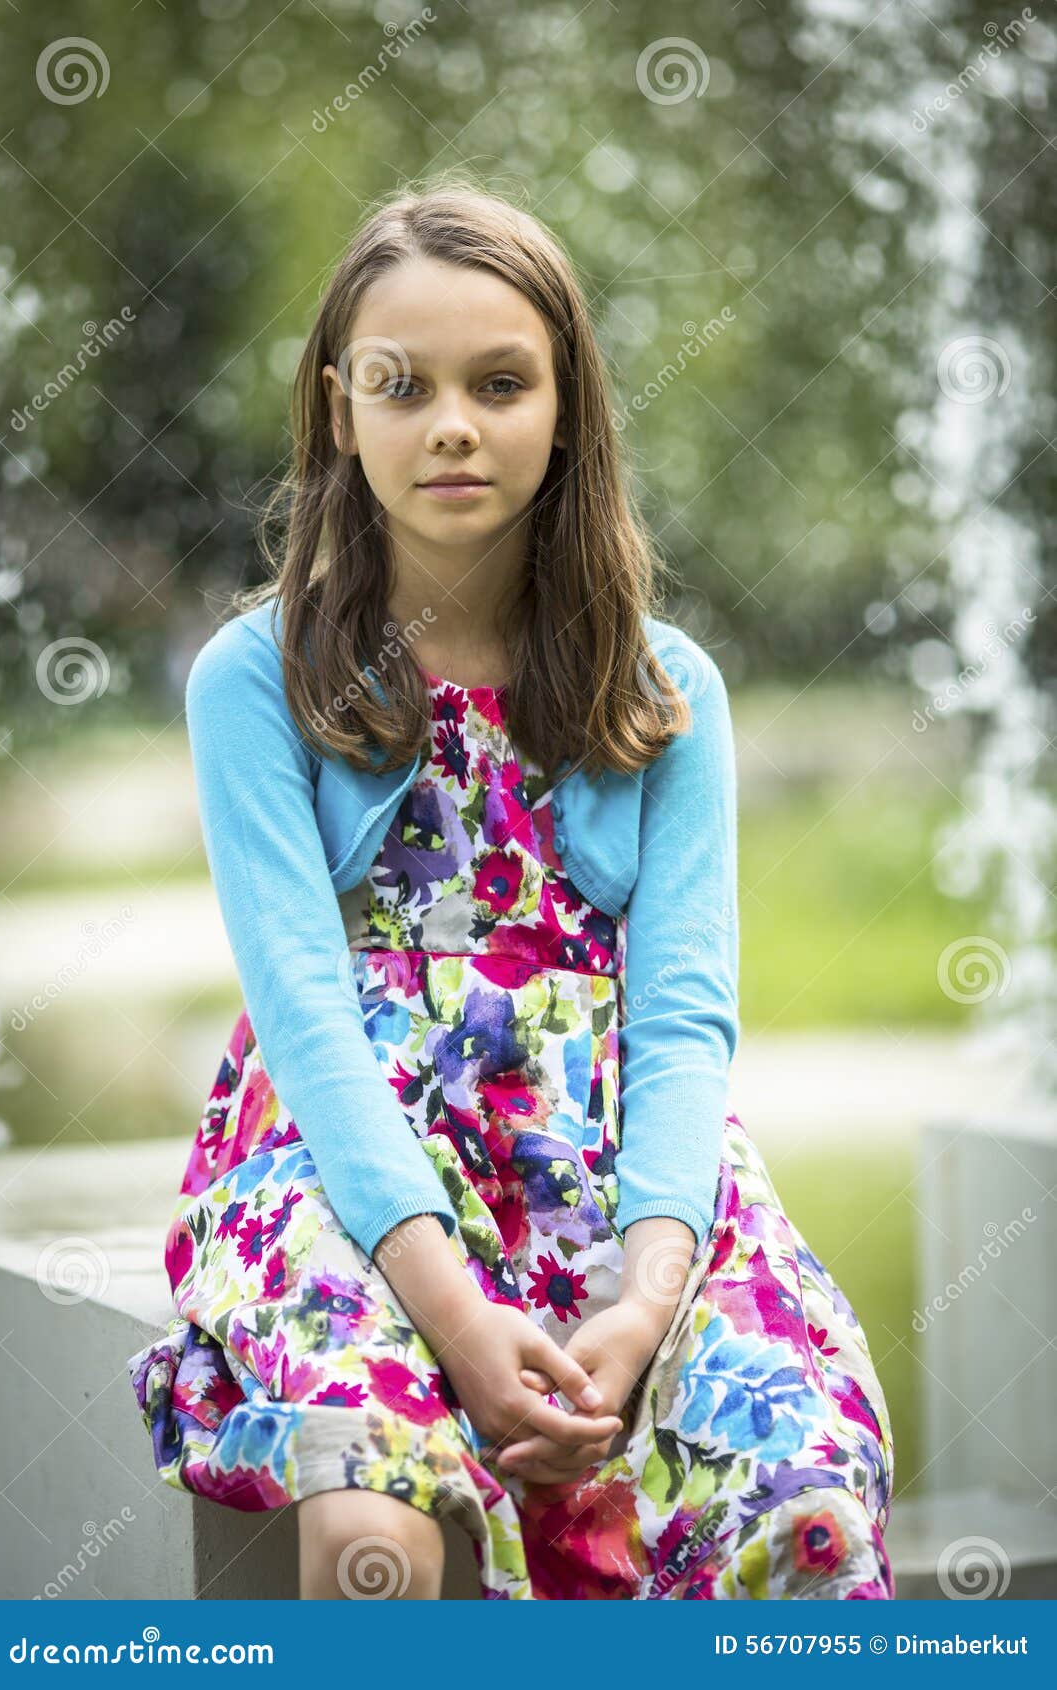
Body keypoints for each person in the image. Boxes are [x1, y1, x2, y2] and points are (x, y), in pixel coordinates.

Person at [127, 179, 895, 1601]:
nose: (455, 425)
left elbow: (681, 1024)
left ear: (567, 408)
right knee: (376, 1535)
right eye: (402, 386)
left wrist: (649, 1293)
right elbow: (304, 1018)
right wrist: (460, 1323)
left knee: (804, 1516)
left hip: (617, 1172)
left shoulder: (666, 693)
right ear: (338, 406)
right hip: (349, 1169)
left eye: (501, 383)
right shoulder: (259, 680)